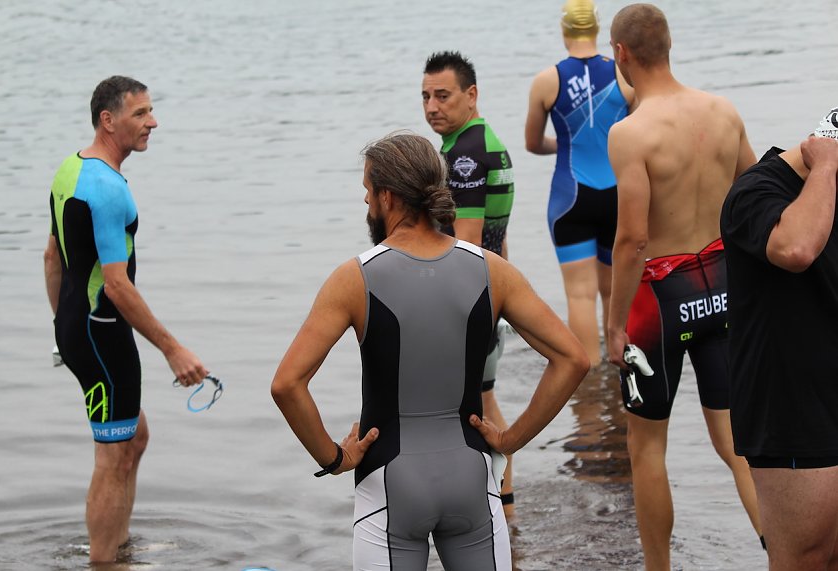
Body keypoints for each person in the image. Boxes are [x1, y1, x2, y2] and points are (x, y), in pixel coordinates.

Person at [271, 132, 589, 571]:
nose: (365, 202)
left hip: (389, 484)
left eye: (367, 191)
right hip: (472, 480)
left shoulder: (353, 279)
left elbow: (287, 385)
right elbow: (573, 359)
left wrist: (335, 458)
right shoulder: (492, 270)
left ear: (386, 196)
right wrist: (511, 439)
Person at [604, 5, 762, 569]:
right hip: (723, 285)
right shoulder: (723, 111)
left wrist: (614, 324)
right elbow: (755, 193)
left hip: (660, 302)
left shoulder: (630, 134)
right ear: (670, 45)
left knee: (647, 448)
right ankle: (787, 551)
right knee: (736, 442)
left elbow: (632, 240)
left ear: (621, 54)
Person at [43, 76, 208, 563]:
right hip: (102, 334)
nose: (152, 122)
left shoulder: (70, 170)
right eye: (140, 114)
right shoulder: (109, 190)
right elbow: (116, 285)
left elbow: (52, 258)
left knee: (133, 437)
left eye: (150, 111)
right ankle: (103, 562)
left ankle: (120, 549)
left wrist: (64, 329)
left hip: (78, 328)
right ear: (108, 120)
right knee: (113, 455)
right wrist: (173, 349)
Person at [720, 110, 838, 570]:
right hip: (790, 412)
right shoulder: (755, 191)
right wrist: (826, 168)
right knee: (805, 560)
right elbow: (796, 248)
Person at [421, 50, 518, 519]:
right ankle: (505, 505)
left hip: (473, 298)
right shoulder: (483, 141)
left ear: (471, 94)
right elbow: (499, 238)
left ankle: (496, 506)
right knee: (485, 399)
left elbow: (469, 242)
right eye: (425, 96)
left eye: (443, 96)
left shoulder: (465, 154)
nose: (432, 106)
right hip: (491, 294)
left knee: (476, 405)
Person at [524, 0, 635, 367]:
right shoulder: (623, 75)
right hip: (618, 197)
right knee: (614, 292)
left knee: (580, 295)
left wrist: (567, 144)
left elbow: (532, 143)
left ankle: (588, 379)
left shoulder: (547, 80)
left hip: (570, 197)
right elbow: (638, 135)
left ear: (564, 30)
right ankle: (620, 373)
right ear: (598, 29)